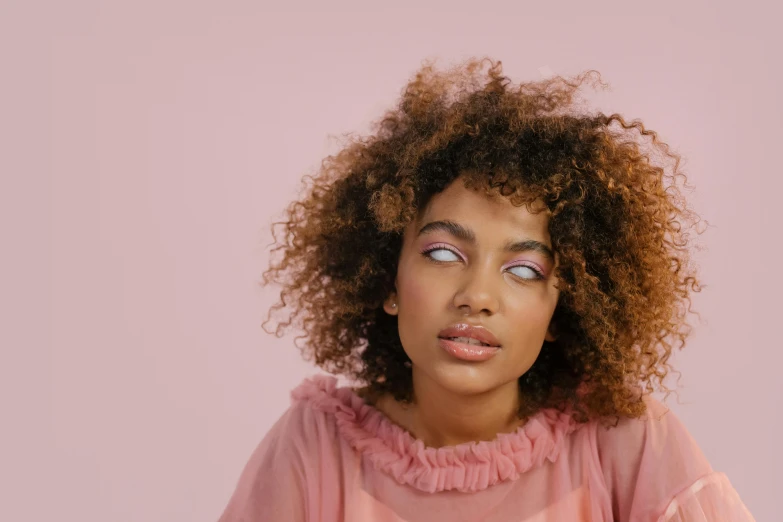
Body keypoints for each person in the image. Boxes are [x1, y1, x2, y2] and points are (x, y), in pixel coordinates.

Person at [217, 58, 755, 521]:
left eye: (523, 270)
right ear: (389, 280)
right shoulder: (313, 448)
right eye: (444, 254)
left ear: (560, 309)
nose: (477, 295)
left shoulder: (627, 442)